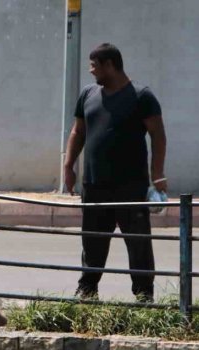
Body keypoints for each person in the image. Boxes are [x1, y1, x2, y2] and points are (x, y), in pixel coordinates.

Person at [63, 43, 167, 303]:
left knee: (138, 243)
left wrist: (157, 175)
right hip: (94, 185)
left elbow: (158, 135)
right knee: (92, 242)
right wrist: (68, 165)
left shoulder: (142, 96)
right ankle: (87, 291)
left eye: (94, 65)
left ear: (110, 65)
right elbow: (78, 131)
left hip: (130, 187)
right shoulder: (88, 94)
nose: (91, 71)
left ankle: (144, 296)